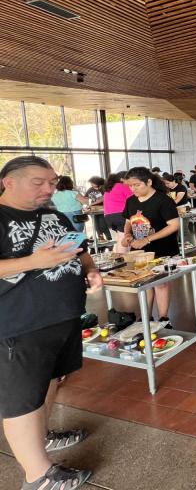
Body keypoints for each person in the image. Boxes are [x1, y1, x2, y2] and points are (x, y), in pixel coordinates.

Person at [0, 156, 104, 490]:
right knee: (22, 400)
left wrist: (90, 269)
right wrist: (34, 260)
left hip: (62, 318)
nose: (49, 189)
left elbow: (80, 249)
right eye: (39, 182)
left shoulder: (53, 214)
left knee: (49, 382)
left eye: (53, 182)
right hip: (19, 325)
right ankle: (38, 475)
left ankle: (41, 435)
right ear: (9, 181)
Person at [121, 168, 180, 325]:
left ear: (149, 182)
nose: (133, 189)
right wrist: (127, 235)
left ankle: (163, 318)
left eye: (136, 185)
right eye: (130, 186)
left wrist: (147, 239)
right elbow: (128, 221)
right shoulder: (131, 201)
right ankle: (145, 318)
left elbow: (174, 225)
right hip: (139, 252)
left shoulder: (163, 200)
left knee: (161, 283)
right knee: (144, 283)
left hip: (162, 249)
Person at [102, 172, 132, 248]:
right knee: (124, 240)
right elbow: (133, 199)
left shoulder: (110, 187)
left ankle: (119, 254)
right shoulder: (123, 186)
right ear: (122, 179)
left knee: (119, 238)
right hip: (120, 215)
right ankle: (122, 255)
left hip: (108, 217)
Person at [85, 176, 111, 240]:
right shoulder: (90, 190)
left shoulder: (103, 189)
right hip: (93, 209)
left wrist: (92, 204)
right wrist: (87, 205)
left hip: (102, 209)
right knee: (96, 225)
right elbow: (85, 198)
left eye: (92, 183)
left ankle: (109, 237)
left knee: (103, 224)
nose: (91, 184)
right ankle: (101, 238)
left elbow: (103, 198)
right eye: (91, 183)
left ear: (97, 182)